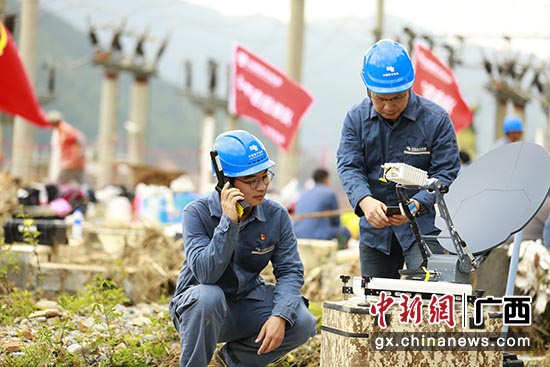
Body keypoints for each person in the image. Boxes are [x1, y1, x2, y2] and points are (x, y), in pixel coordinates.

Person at [169, 130, 316, 367]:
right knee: (209, 296)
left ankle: (230, 361)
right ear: (225, 182)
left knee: (300, 320)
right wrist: (229, 223)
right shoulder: (196, 213)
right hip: (199, 311)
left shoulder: (276, 215)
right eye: (251, 181)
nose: (261, 187)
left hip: (245, 303)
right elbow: (206, 274)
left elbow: (290, 272)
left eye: (265, 177)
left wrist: (279, 316)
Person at [336, 39, 460, 279]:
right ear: (368, 89)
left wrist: (417, 204)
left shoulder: (436, 120)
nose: (389, 106)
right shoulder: (356, 119)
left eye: (397, 98)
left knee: (426, 301)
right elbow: (349, 166)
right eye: (380, 98)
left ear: (410, 87)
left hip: (421, 229)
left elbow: (445, 172)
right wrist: (365, 201)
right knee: (377, 303)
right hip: (375, 231)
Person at [293, 168, 351, 249]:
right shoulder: (329, 193)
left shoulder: (304, 193)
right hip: (317, 235)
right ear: (325, 179)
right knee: (345, 232)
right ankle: (337, 254)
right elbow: (336, 220)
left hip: (297, 233)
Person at [47, 110, 86, 185]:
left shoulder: (66, 129)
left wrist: (81, 154)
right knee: (82, 183)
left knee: (58, 184)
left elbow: (81, 139)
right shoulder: (61, 130)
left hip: (71, 163)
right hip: (72, 162)